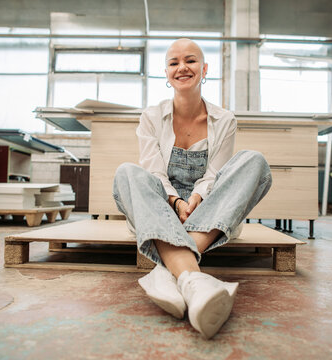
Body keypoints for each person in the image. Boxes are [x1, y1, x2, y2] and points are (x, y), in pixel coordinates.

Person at [113, 38, 272, 339]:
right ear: (166, 72)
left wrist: (196, 199)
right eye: (174, 63)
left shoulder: (224, 119)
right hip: (162, 210)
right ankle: (195, 282)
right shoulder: (150, 117)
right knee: (127, 173)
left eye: (190, 60)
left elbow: (214, 175)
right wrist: (175, 203)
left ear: (204, 68)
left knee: (255, 162)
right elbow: (153, 172)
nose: (182, 67)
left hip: (209, 211)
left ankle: (171, 270)